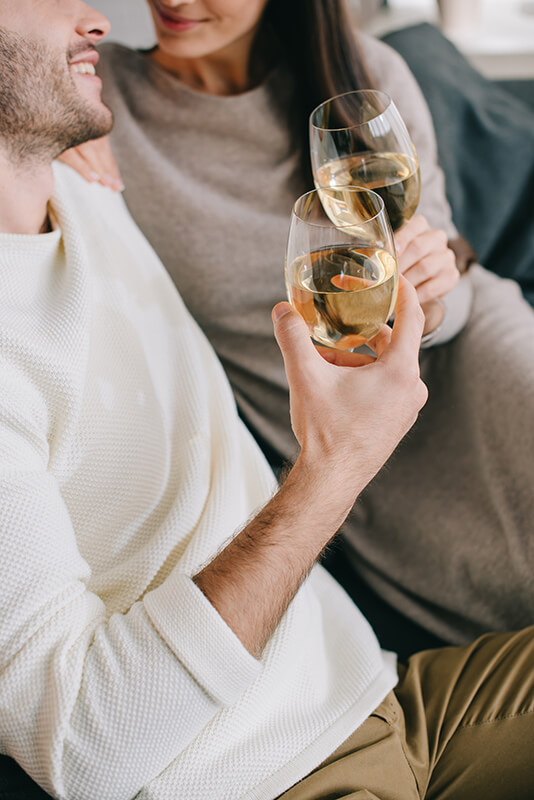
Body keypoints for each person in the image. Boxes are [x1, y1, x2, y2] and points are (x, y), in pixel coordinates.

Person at [0, 2, 533, 800]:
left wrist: (70, 104)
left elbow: (434, 235)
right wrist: (336, 464)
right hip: (281, 774)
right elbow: (83, 749)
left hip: (398, 699)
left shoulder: (85, 185)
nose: (97, 19)